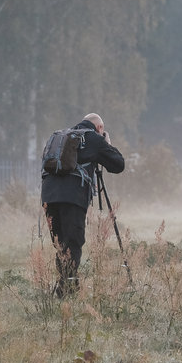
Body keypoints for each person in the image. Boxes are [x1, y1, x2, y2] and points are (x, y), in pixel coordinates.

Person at [41, 113, 125, 297]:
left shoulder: (60, 136)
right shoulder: (93, 138)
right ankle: (67, 291)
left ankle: (66, 286)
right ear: (100, 127)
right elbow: (118, 165)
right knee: (73, 242)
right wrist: (107, 144)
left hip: (49, 196)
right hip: (73, 196)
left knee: (60, 243)